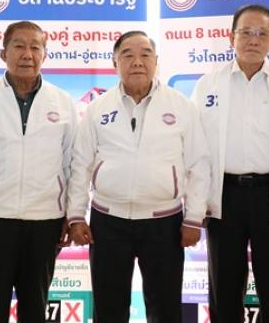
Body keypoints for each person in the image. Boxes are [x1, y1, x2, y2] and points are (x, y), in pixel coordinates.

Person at [67, 30, 210, 323]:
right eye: (128, 55)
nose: (137, 62)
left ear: (156, 61)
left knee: (165, 308)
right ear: (114, 62)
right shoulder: (97, 108)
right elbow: (80, 164)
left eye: (145, 54)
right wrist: (76, 216)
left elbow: (199, 164)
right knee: (108, 309)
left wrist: (194, 218)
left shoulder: (181, 106)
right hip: (108, 220)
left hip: (164, 222)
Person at [191, 4, 269, 323]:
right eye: (246, 32)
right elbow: (196, 151)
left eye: (262, 33)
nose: (253, 40)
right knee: (224, 291)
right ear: (231, 37)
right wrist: (195, 205)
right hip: (223, 197)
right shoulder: (208, 86)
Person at [0, 21, 76, 323]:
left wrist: (71, 214)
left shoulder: (62, 102)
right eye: (19, 46)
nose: (27, 54)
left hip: (45, 220)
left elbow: (73, 163)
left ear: (44, 54)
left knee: (35, 307)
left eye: (35, 47)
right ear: (3, 53)